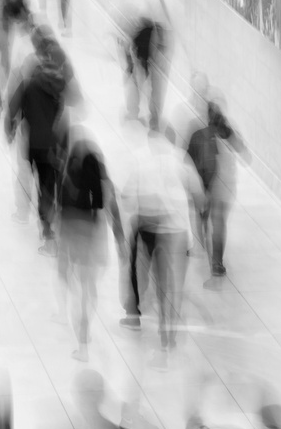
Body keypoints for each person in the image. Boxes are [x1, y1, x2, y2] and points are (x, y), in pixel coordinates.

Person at [118, 124, 200, 351]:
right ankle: (168, 334)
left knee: (138, 269)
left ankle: (133, 313)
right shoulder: (181, 159)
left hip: (148, 225)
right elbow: (199, 194)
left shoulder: (140, 159)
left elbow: (126, 194)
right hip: (179, 233)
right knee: (171, 285)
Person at [4, 25, 76, 250]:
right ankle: (50, 231)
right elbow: (66, 112)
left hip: (33, 143)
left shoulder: (28, 84)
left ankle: (38, 222)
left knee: (34, 180)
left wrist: (10, 130)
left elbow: (12, 109)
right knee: (50, 185)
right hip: (55, 145)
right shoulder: (59, 86)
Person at [57, 128, 121, 361]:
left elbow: (60, 216)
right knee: (88, 289)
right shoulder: (102, 184)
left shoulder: (66, 180)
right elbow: (110, 205)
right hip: (93, 233)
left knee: (78, 290)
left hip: (74, 234)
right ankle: (86, 330)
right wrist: (120, 237)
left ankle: (82, 344)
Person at [186, 91, 249, 282]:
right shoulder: (229, 131)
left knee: (209, 218)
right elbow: (246, 156)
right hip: (224, 186)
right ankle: (216, 262)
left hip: (211, 184)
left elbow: (191, 158)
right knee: (219, 222)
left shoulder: (203, 132)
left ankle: (206, 252)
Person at [114, 0, 175, 130]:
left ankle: (133, 112)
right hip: (159, 43)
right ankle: (154, 119)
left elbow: (136, 17)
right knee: (155, 82)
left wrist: (125, 38)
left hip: (142, 38)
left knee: (134, 76)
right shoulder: (171, 0)